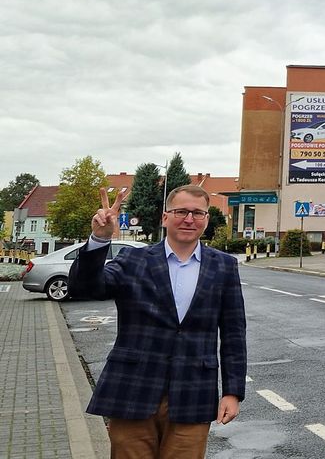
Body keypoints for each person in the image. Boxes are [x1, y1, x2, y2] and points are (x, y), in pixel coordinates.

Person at [69, 184, 247, 459]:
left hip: (193, 393)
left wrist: (233, 392)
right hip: (133, 388)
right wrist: (99, 240)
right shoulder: (134, 259)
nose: (189, 219)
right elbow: (85, 289)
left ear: (207, 220)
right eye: (181, 211)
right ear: (165, 217)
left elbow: (234, 333)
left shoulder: (223, 266)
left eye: (198, 213)